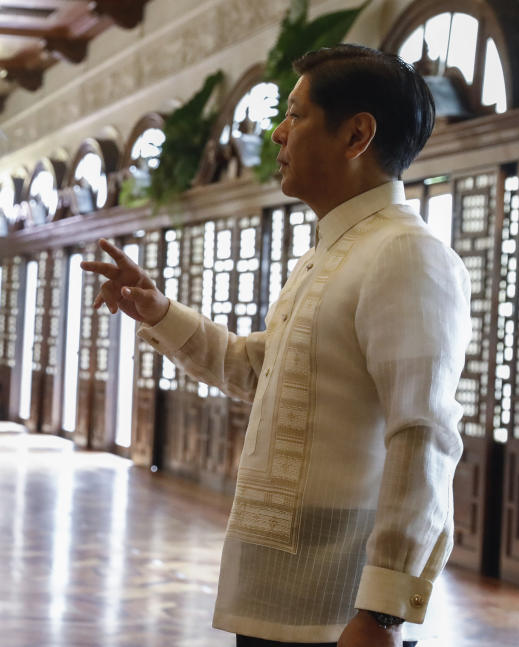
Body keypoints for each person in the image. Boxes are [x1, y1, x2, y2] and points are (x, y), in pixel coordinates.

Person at [83, 44, 470, 647]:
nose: (276, 132)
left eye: (295, 114)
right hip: (274, 592)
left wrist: (385, 612)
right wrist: (157, 311)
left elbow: (423, 436)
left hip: (340, 609)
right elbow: (257, 369)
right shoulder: (328, 252)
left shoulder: (406, 253)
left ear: (356, 136)